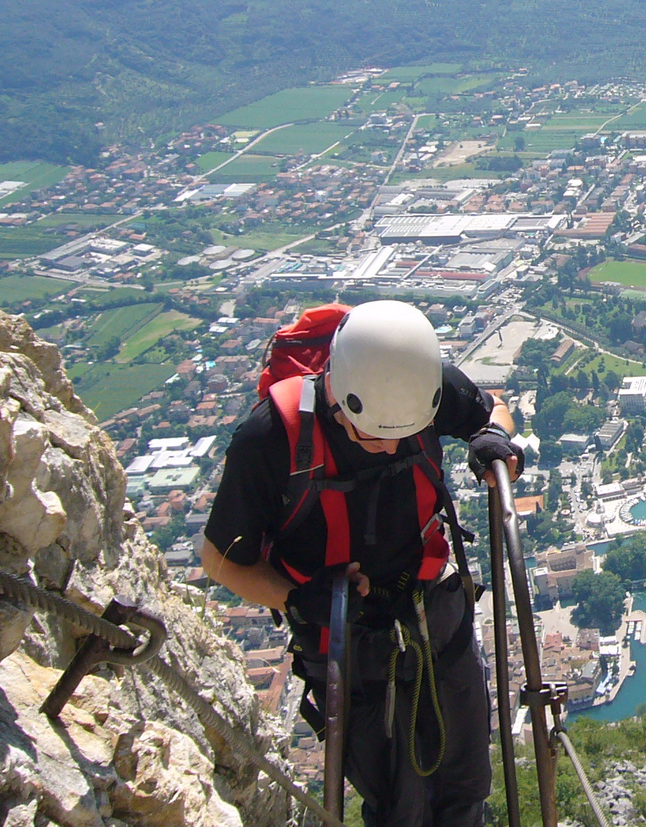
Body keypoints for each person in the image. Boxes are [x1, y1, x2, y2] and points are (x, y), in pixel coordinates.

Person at [201, 299, 521, 827]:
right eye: (373, 433)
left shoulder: (419, 384)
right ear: (336, 397)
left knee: (467, 784)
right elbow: (219, 559)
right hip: (344, 638)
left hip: (432, 610)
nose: (390, 443)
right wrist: (296, 597)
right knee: (399, 805)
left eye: (402, 432)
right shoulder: (271, 437)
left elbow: (492, 408)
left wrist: (493, 436)